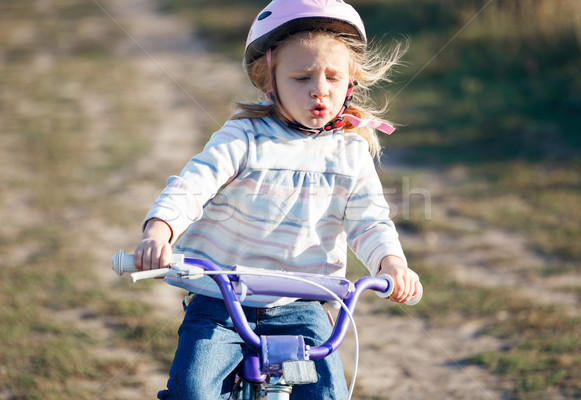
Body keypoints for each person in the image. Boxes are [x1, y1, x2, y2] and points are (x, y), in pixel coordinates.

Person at [134, 0, 420, 398]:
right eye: (302, 77)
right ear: (269, 80)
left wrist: (392, 265)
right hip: (223, 298)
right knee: (194, 388)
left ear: (350, 82)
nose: (319, 89)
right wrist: (159, 231)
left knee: (327, 392)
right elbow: (193, 184)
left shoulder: (350, 153)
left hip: (302, 300)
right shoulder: (243, 138)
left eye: (333, 77)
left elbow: (368, 221)